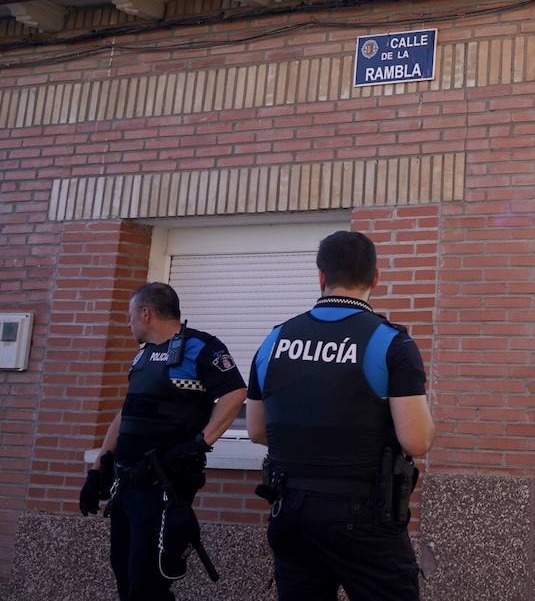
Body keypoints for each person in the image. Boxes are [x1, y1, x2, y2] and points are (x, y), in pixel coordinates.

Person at [246, 230, 435, 601]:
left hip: (292, 512)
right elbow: (416, 440)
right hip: (365, 518)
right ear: (376, 278)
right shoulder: (392, 342)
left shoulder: (275, 338)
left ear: (320, 276)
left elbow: (256, 430)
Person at [79, 282, 247, 601]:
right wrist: (98, 467)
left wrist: (199, 444)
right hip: (126, 485)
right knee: (125, 575)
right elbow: (126, 414)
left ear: (146, 313)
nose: (128, 324)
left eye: (130, 316)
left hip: (163, 486)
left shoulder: (201, 347)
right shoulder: (142, 357)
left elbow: (235, 393)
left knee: (149, 583)